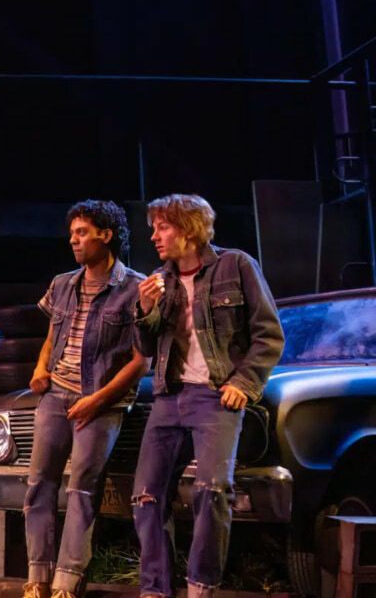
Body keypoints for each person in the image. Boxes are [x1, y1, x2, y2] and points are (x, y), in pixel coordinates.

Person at [131, 194, 284, 598]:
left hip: (215, 397)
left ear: (189, 228)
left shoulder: (236, 266)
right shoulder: (157, 281)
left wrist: (244, 383)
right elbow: (146, 347)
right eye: (154, 228)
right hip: (168, 396)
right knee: (146, 496)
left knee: (211, 491)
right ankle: (155, 590)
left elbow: (268, 335)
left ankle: (201, 587)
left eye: (163, 227)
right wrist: (145, 308)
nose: (154, 237)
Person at [21, 201, 149, 598]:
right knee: (39, 486)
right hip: (55, 396)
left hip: (102, 404)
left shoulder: (134, 288)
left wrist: (97, 401)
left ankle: (66, 582)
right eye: (72, 233)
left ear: (106, 235)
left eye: (82, 233)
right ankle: (37, 579)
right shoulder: (62, 283)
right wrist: (41, 369)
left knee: (82, 490)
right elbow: (51, 337)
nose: (73, 240)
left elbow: (142, 360)